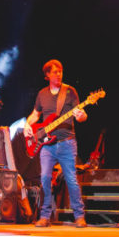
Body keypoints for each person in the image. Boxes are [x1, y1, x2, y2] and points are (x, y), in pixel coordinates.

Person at [24, 60, 87, 228]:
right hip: (46, 144)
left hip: (67, 142)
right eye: (54, 72)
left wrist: (81, 116)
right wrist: (27, 125)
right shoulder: (42, 94)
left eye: (60, 71)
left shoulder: (70, 91)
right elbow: (35, 115)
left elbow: (81, 115)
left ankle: (79, 216)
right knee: (44, 178)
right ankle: (44, 216)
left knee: (71, 179)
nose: (58, 74)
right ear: (47, 76)